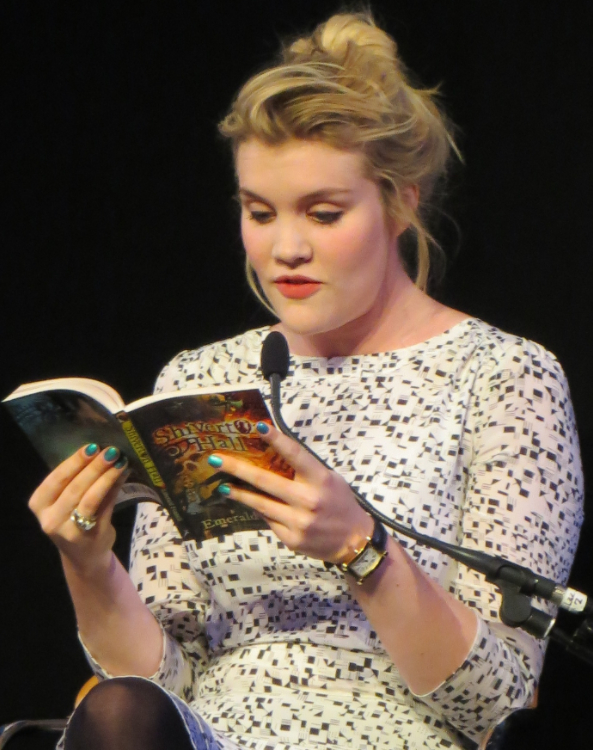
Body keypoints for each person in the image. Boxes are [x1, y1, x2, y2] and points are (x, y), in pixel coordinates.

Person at [28, 11, 583, 750]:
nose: (285, 248)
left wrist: (360, 549)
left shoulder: (504, 378)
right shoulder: (201, 376)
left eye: (323, 214)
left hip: (389, 736)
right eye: (259, 213)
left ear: (399, 203)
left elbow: (497, 704)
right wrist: (87, 564)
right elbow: (160, 688)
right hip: (205, 736)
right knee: (120, 714)